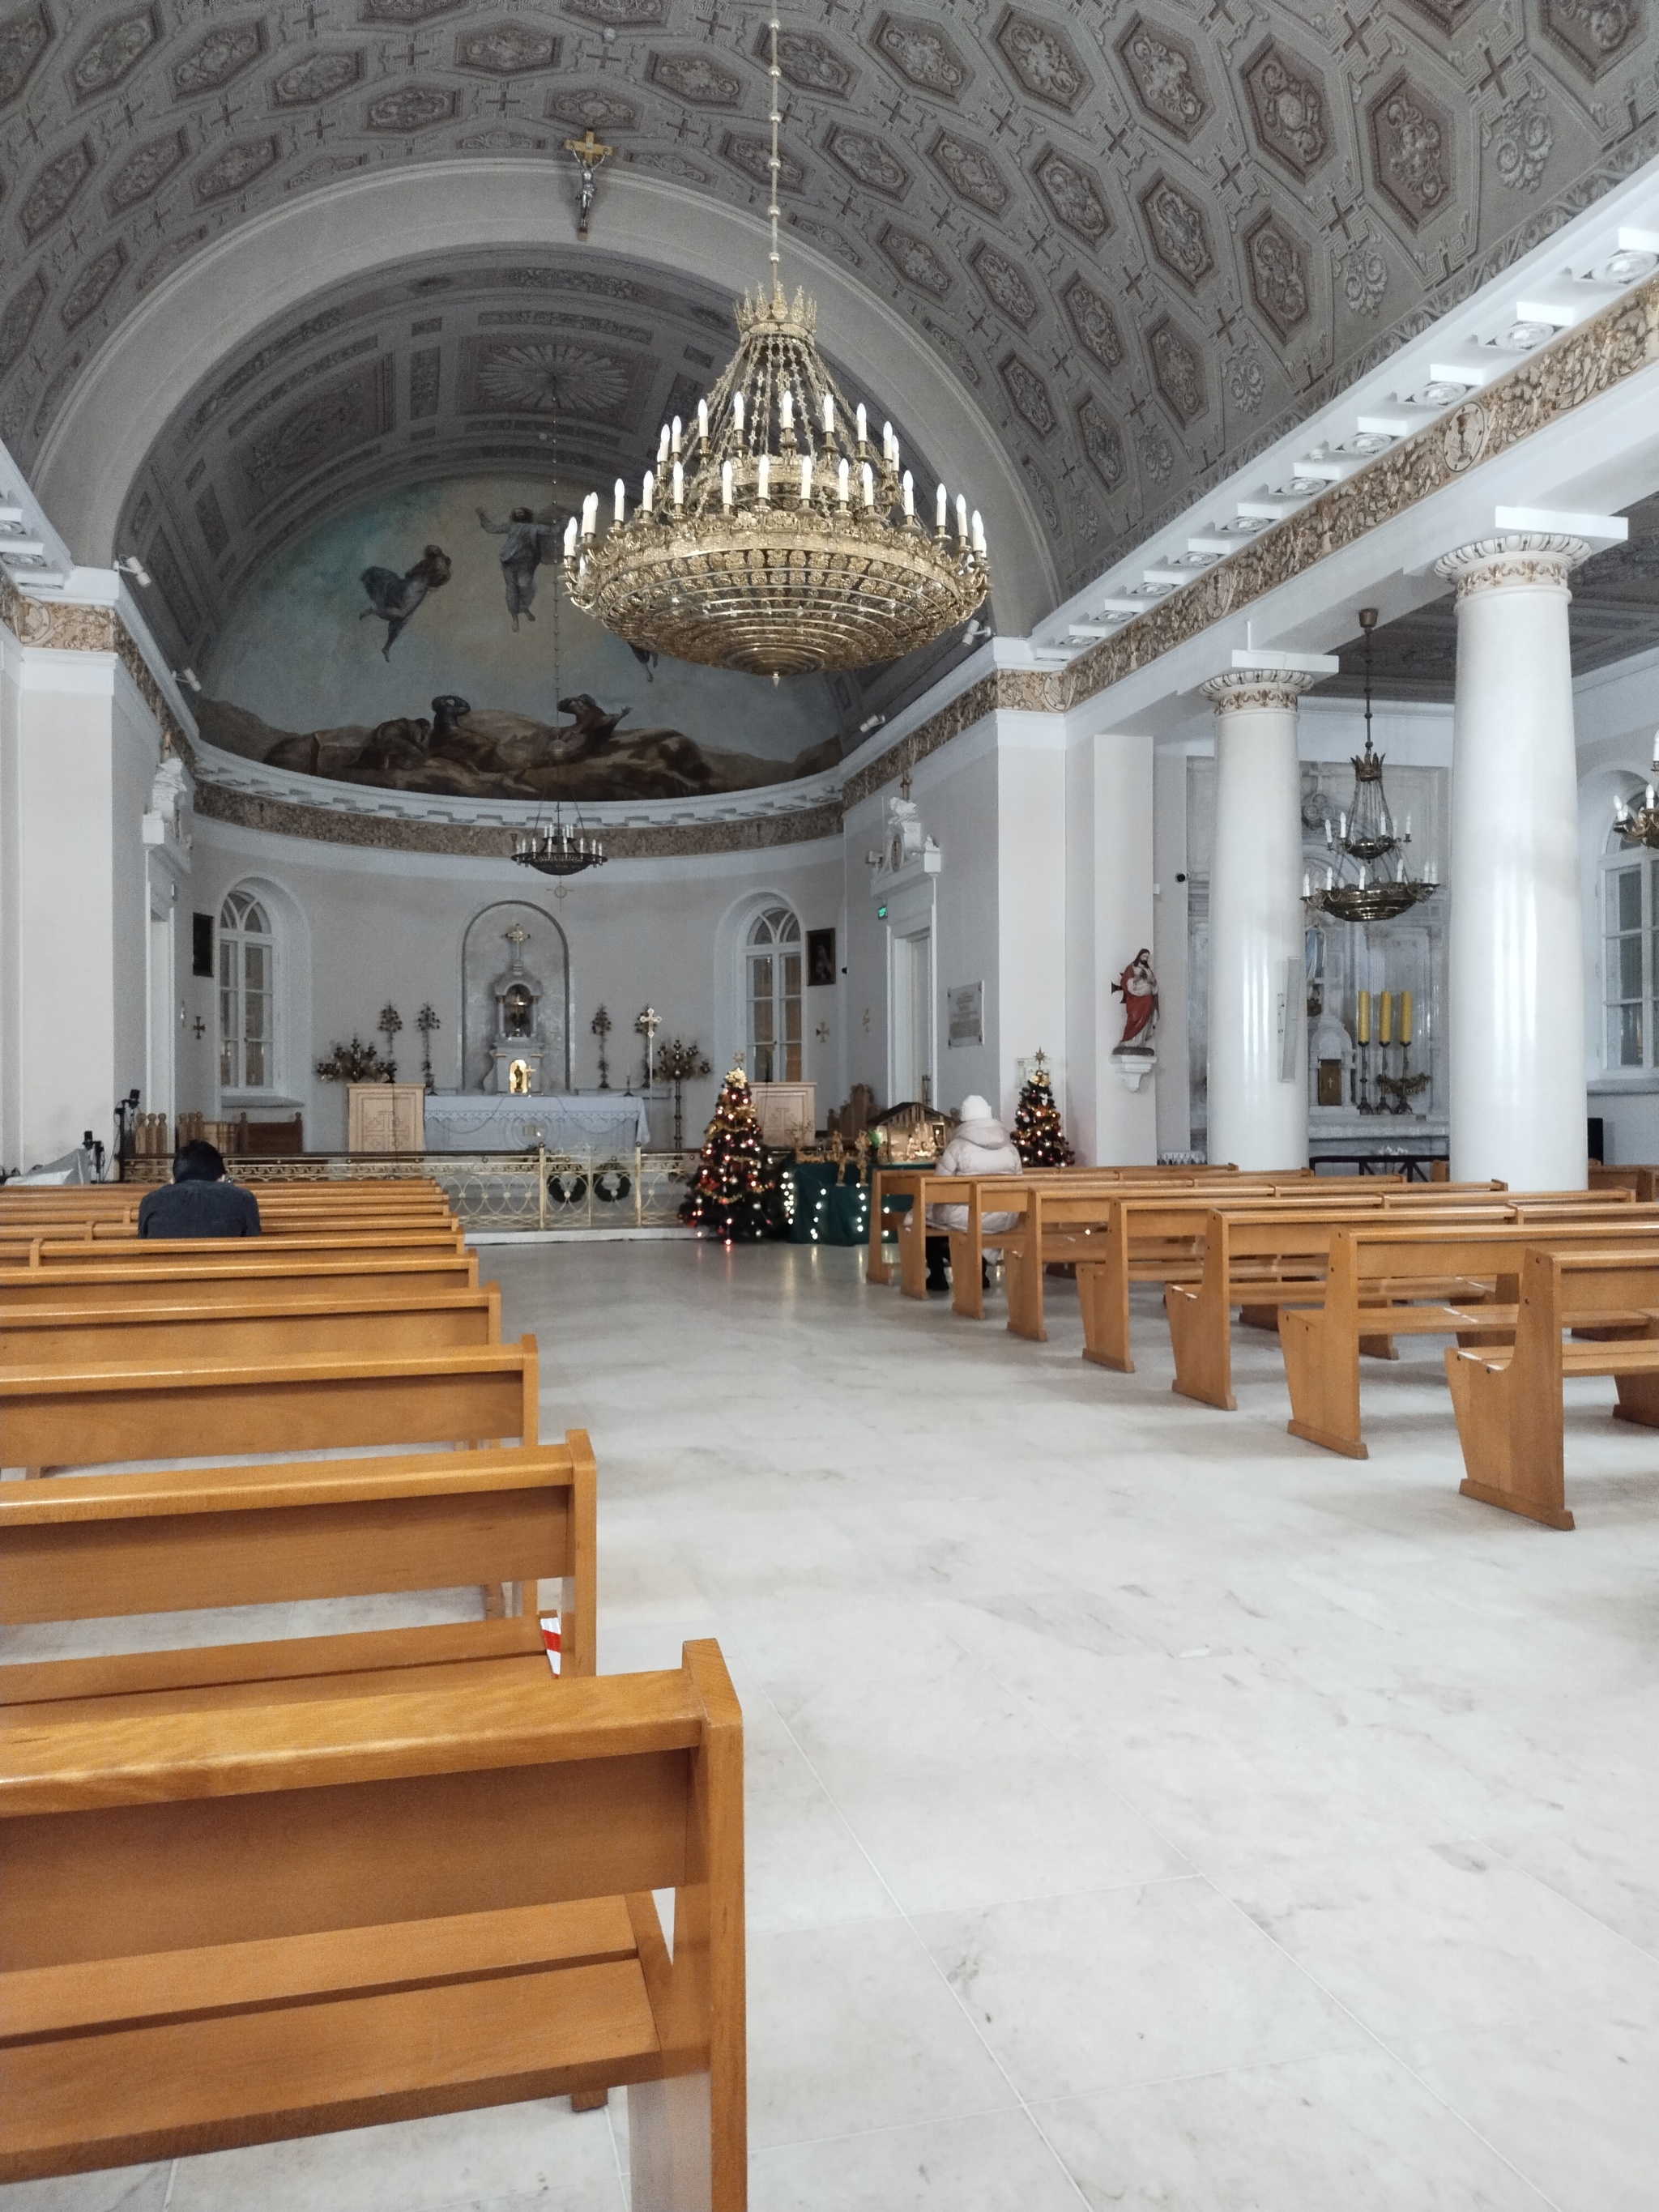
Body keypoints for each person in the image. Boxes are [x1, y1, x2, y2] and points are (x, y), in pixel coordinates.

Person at [923, 1093, 1022, 1295]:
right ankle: (980, 1271)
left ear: (964, 1119)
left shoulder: (958, 1147)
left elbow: (938, 1184)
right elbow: (1019, 1182)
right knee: (987, 1224)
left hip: (966, 1215)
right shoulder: (1010, 1148)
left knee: (925, 1219)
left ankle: (937, 1276)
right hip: (1004, 1215)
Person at [137, 1140, 262, 1239]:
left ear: (173, 1180)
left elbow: (143, 1244)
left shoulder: (151, 1201)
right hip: (225, 1270)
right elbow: (253, 1245)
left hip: (164, 1270)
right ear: (222, 1178)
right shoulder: (243, 1199)